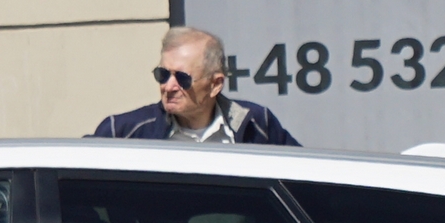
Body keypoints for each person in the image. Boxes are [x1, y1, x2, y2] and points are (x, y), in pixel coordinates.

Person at [90, 27, 301, 145]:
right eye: (163, 75)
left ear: (215, 84)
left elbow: (303, 184)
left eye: (182, 78)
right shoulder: (123, 132)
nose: (168, 86)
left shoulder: (257, 124)